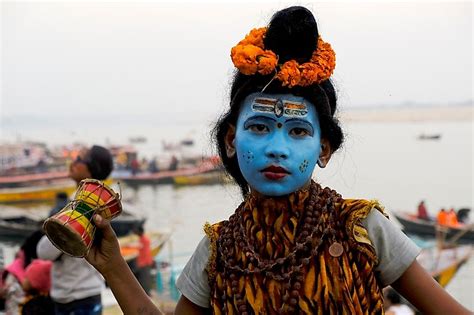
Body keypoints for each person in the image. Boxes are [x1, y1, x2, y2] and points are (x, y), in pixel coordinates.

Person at [84, 6, 470, 314]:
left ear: (324, 149)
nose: (277, 148)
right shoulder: (218, 252)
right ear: (232, 140)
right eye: (260, 127)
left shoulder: (362, 230)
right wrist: (115, 267)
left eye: (299, 131)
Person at [37, 145, 113, 315]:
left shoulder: (82, 207)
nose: (73, 162)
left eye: (79, 159)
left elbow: (44, 252)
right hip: (83, 293)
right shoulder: (101, 204)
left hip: (77, 299)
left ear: (91, 168)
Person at [132, 226, 154, 296]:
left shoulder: (144, 240)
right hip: (144, 263)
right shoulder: (143, 239)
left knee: (144, 279)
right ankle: (146, 293)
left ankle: (146, 293)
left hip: (144, 263)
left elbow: (145, 252)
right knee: (144, 279)